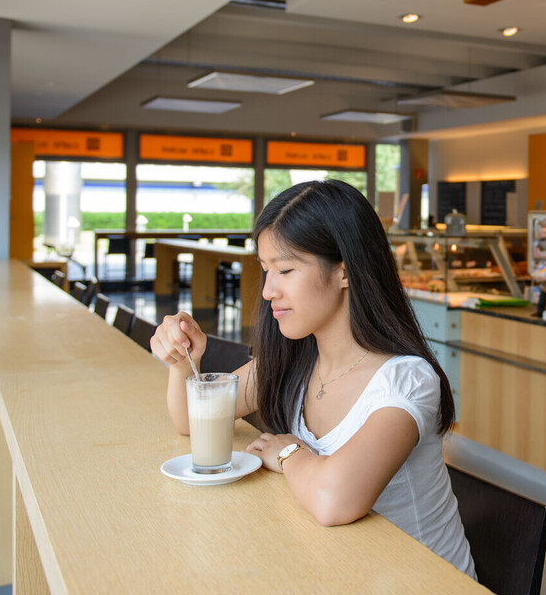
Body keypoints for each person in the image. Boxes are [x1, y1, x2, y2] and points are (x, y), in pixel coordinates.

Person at [149, 179, 476, 577]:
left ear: (344, 272)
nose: (268, 290)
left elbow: (334, 500)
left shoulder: (406, 380)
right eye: (265, 270)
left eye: (285, 269)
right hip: (343, 571)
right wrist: (182, 360)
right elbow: (191, 422)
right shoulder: (296, 357)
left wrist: (289, 454)